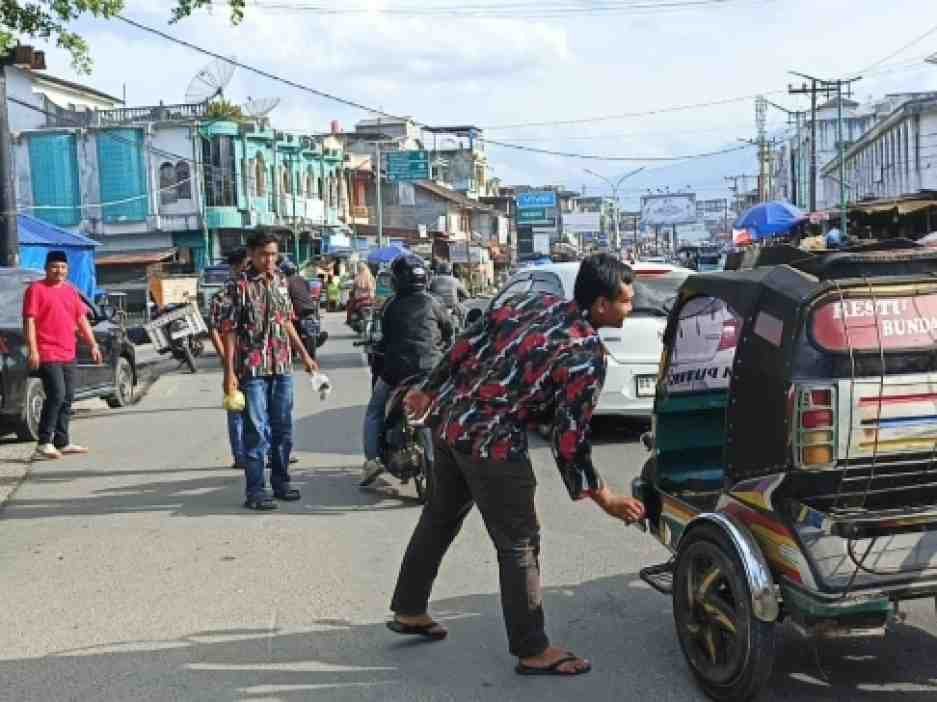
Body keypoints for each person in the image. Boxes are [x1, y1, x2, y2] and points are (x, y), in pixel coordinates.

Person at [388, 253, 646, 676]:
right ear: (601, 305)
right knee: (519, 544)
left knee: (438, 518)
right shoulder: (585, 352)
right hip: (493, 444)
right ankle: (532, 649)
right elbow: (569, 441)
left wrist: (429, 390)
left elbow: (466, 342)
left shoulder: (532, 302)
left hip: (450, 424)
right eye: (626, 301)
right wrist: (606, 499)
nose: (630, 309)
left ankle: (410, 609)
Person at [221, 232, 319, 511]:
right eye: (264, 254)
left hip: (282, 365)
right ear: (251, 254)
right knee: (256, 431)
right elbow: (229, 331)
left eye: (274, 254)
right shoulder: (238, 286)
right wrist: (229, 372)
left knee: (283, 428)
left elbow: (285, 321)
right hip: (252, 368)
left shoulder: (281, 281)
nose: (269, 260)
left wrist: (305, 356)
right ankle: (255, 491)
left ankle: (281, 482)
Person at [360, 254, 454, 486]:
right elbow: (449, 330)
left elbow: (385, 338)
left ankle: (372, 461)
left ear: (397, 280)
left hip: (397, 371)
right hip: (432, 370)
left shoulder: (390, 305)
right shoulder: (434, 303)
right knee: (450, 407)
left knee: (374, 410)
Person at [23, 250, 103, 460]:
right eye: (54, 266)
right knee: (56, 394)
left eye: (63, 267)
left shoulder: (70, 291)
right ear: (46, 268)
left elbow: (81, 319)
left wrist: (93, 344)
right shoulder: (36, 289)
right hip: (47, 351)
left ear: (67, 269)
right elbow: (29, 320)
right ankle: (44, 442)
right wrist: (33, 349)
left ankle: (62, 441)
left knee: (68, 396)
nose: (59, 270)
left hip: (68, 351)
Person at [209, 248, 249, 470]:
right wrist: (226, 360)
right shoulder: (222, 296)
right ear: (235, 267)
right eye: (245, 264)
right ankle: (240, 456)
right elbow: (214, 329)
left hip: (255, 360)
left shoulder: (255, 289)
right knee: (236, 408)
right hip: (234, 362)